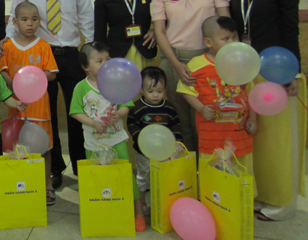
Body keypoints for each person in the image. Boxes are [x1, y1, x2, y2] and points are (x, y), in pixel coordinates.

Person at [227, 0, 305, 221]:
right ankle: (259, 194)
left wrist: (293, 72)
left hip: (275, 70)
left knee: (277, 139)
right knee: (252, 137)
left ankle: (283, 201)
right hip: (241, 70)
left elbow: (291, 30)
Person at [7, 0, 94, 187]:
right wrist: (8, 42)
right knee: (47, 116)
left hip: (71, 55)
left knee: (77, 111)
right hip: (40, 59)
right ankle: (55, 167)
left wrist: (89, 50)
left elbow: (86, 16)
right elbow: (15, 17)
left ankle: (81, 165)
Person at [151, 0, 230, 152]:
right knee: (182, 122)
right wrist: (177, 65)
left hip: (209, 60)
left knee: (208, 119)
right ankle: (189, 166)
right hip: (174, 60)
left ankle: (210, 165)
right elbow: (160, 31)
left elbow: (225, 23)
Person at [69, 42, 144, 231]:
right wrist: (92, 123)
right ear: (86, 67)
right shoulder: (81, 88)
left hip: (116, 139)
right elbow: (75, 112)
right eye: (99, 61)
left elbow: (126, 105)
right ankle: (100, 209)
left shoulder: (117, 82)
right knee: (98, 178)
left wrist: (119, 114)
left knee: (125, 175)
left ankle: (138, 211)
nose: (106, 64)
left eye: (108, 59)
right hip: (93, 143)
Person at [177, 17, 257, 181]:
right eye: (225, 39)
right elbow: (185, 90)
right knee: (213, 177)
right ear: (208, 41)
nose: (232, 42)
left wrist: (253, 119)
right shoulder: (197, 64)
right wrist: (200, 108)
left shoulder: (241, 63)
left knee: (243, 174)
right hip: (211, 135)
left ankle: (244, 197)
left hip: (240, 134)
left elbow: (252, 93)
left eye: (234, 37)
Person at [0, 1, 58, 204]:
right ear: (15, 22)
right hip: (18, 108)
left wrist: (34, 78)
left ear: (39, 21)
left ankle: (47, 185)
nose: (30, 24)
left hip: (40, 108)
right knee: (19, 146)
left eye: (34, 19)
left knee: (45, 147)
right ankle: (22, 182)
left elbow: (51, 73)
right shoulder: (8, 46)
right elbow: (3, 71)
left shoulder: (43, 46)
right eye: (25, 19)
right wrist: (14, 83)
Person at [127, 66, 182, 207]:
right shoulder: (137, 107)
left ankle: (161, 204)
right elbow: (132, 124)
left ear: (165, 89)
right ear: (141, 89)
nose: (155, 95)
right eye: (150, 91)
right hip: (143, 153)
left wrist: (177, 142)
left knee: (163, 177)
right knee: (143, 177)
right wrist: (139, 138)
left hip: (165, 152)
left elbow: (175, 125)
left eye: (159, 91)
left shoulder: (169, 108)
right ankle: (141, 203)